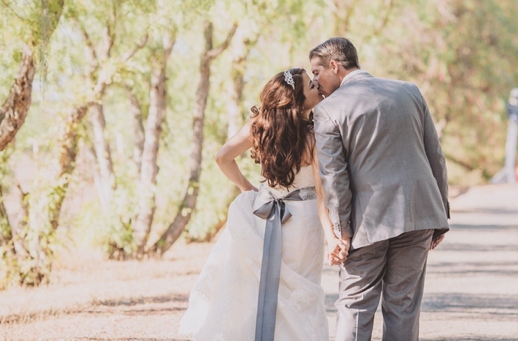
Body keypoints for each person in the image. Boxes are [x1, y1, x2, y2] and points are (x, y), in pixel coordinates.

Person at [179, 67, 344, 341]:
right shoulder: (314, 136)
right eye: (312, 86)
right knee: (300, 293)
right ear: (298, 101)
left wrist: (247, 188)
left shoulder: (259, 127)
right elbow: (322, 193)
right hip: (303, 224)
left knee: (263, 289)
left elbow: (222, 158)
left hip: (264, 214)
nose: (318, 86)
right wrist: (330, 236)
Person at [310, 37, 450, 341]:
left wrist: (341, 232)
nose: (316, 81)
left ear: (334, 66)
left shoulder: (328, 110)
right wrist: (440, 216)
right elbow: (434, 156)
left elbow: (335, 178)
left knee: (355, 305)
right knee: (404, 306)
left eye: (317, 72)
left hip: (366, 224)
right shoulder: (408, 91)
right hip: (419, 214)